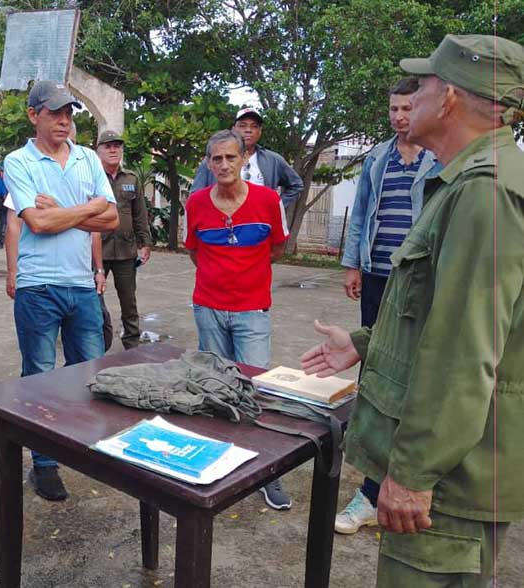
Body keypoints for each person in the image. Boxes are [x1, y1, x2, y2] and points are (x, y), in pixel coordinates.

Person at [300, 34, 524, 588]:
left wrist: (412, 474)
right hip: (453, 466)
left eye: (421, 86)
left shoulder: (485, 192)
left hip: (449, 480)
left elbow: (463, 355)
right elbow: (437, 315)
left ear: (448, 98)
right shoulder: (466, 182)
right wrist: (365, 344)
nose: (410, 99)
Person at [4, 80, 118, 501]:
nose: (64, 121)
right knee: (40, 376)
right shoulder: (18, 161)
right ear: (33, 115)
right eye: (55, 113)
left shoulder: (87, 158)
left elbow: (112, 220)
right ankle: (44, 464)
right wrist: (89, 207)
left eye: (69, 113)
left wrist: (64, 211)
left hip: (82, 284)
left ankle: (80, 444)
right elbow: (37, 223)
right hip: (38, 285)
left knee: (90, 372)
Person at [335, 77, 438, 535]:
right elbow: (360, 214)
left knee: (417, 377)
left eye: (407, 108)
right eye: (394, 109)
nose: (399, 117)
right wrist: (352, 264)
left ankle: (410, 483)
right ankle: (371, 489)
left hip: (422, 280)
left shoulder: (440, 159)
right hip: (379, 276)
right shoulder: (378, 158)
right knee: (375, 373)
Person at [185, 129, 293, 510]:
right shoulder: (196, 203)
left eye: (231, 157)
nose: (224, 165)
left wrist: (246, 275)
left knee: (256, 388)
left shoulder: (268, 200)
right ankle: (218, 462)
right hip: (209, 308)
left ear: (245, 159)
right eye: (216, 158)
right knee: (215, 387)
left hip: (252, 310)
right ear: (208, 163)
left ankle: (266, 472)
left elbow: (277, 248)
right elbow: (195, 252)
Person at [96, 129, 153, 349]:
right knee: (94, 301)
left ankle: (132, 344)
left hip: (125, 250)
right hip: (98, 251)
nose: (113, 150)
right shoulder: (92, 178)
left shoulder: (131, 179)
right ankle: (97, 342)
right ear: (99, 150)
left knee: (129, 302)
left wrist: (145, 242)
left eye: (117, 146)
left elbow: (139, 214)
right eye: (108, 146)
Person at [191, 108, 304, 208]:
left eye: (254, 126)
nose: (248, 130)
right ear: (233, 129)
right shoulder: (215, 159)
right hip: (222, 220)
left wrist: (276, 207)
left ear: (260, 131)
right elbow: (196, 195)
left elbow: (296, 185)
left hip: (259, 221)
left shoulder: (273, 160)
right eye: (242, 125)